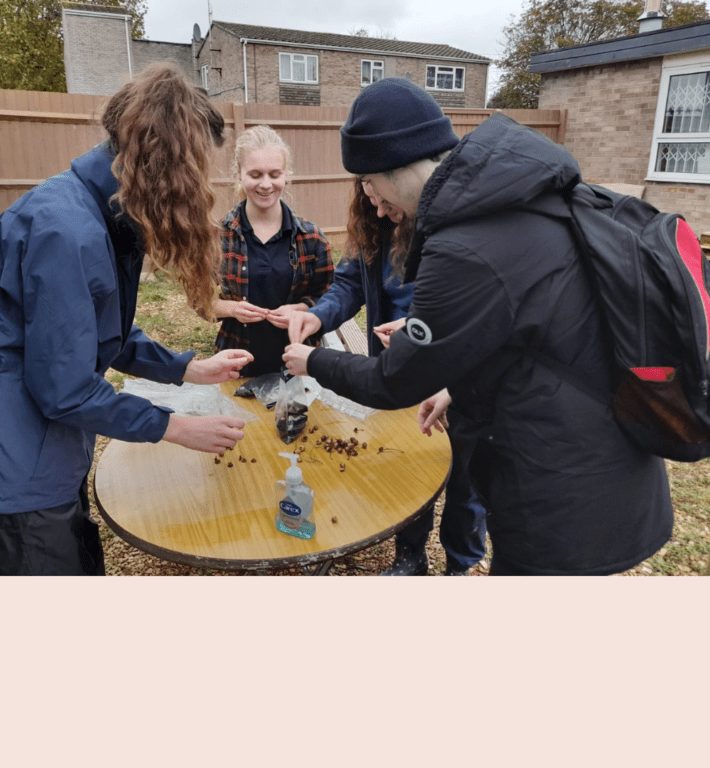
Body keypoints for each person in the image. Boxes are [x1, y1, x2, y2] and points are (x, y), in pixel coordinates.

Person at [283, 77, 673, 575]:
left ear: (396, 164)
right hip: (607, 466)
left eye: (367, 182)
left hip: (563, 496)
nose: (372, 203)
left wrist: (313, 359)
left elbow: (393, 380)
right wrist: (458, 385)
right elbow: (537, 328)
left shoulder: (464, 242)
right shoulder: (517, 198)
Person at [0, 63, 253, 576]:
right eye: (197, 167)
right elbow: (64, 388)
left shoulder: (97, 212)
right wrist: (174, 426)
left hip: (35, 447)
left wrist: (186, 369)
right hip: (11, 464)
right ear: (166, 162)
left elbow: (90, 332)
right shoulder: (67, 232)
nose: (201, 185)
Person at [288, 177, 486, 575]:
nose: (376, 206)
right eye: (367, 194)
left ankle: (460, 567)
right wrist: (318, 315)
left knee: (466, 482)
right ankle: (411, 555)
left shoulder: (453, 225)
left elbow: (474, 306)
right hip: (396, 371)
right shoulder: (373, 223)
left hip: (458, 372)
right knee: (408, 465)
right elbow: (347, 283)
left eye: (381, 194)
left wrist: (416, 329)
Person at [212, 125, 334, 376]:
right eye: (255, 175)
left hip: (300, 368)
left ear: (286, 175)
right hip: (236, 366)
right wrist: (232, 309)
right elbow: (199, 301)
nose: (266, 184)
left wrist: (299, 309)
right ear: (239, 175)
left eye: (274, 174)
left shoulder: (312, 239)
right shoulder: (216, 236)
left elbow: (330, 298)